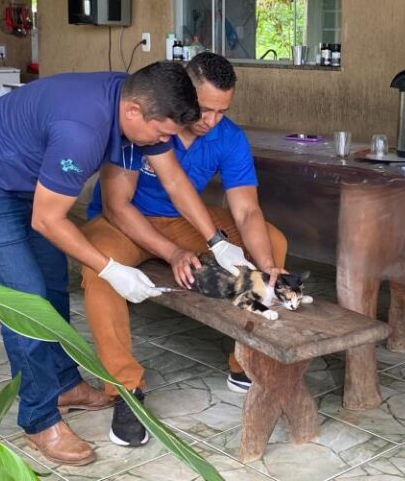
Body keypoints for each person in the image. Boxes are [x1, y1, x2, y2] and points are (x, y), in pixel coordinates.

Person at [0, 61, 254, 466]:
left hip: (23, 183)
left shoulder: (137, 100)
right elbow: (48, 219)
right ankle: (40, 418)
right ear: (134, 113)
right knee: (25, 299)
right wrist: (112, 269)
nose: (164, 144)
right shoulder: (82, 131)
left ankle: (64, 384)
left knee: (50, 287)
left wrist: (217, 242)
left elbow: (173, 179)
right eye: (162, 135)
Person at [80, 52, 287, 448]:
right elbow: (115, 205)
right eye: (204, 109)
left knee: (271, 241)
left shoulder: (228, 137)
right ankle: (125, 388)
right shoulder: (149, 124)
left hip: (185, 222)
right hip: (123, 222)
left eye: (221, 111)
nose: (210, 120)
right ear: (183, 94)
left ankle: (244, 363)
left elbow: (246, 210)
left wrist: (268, 267)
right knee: (100, 272)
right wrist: (171, 252)